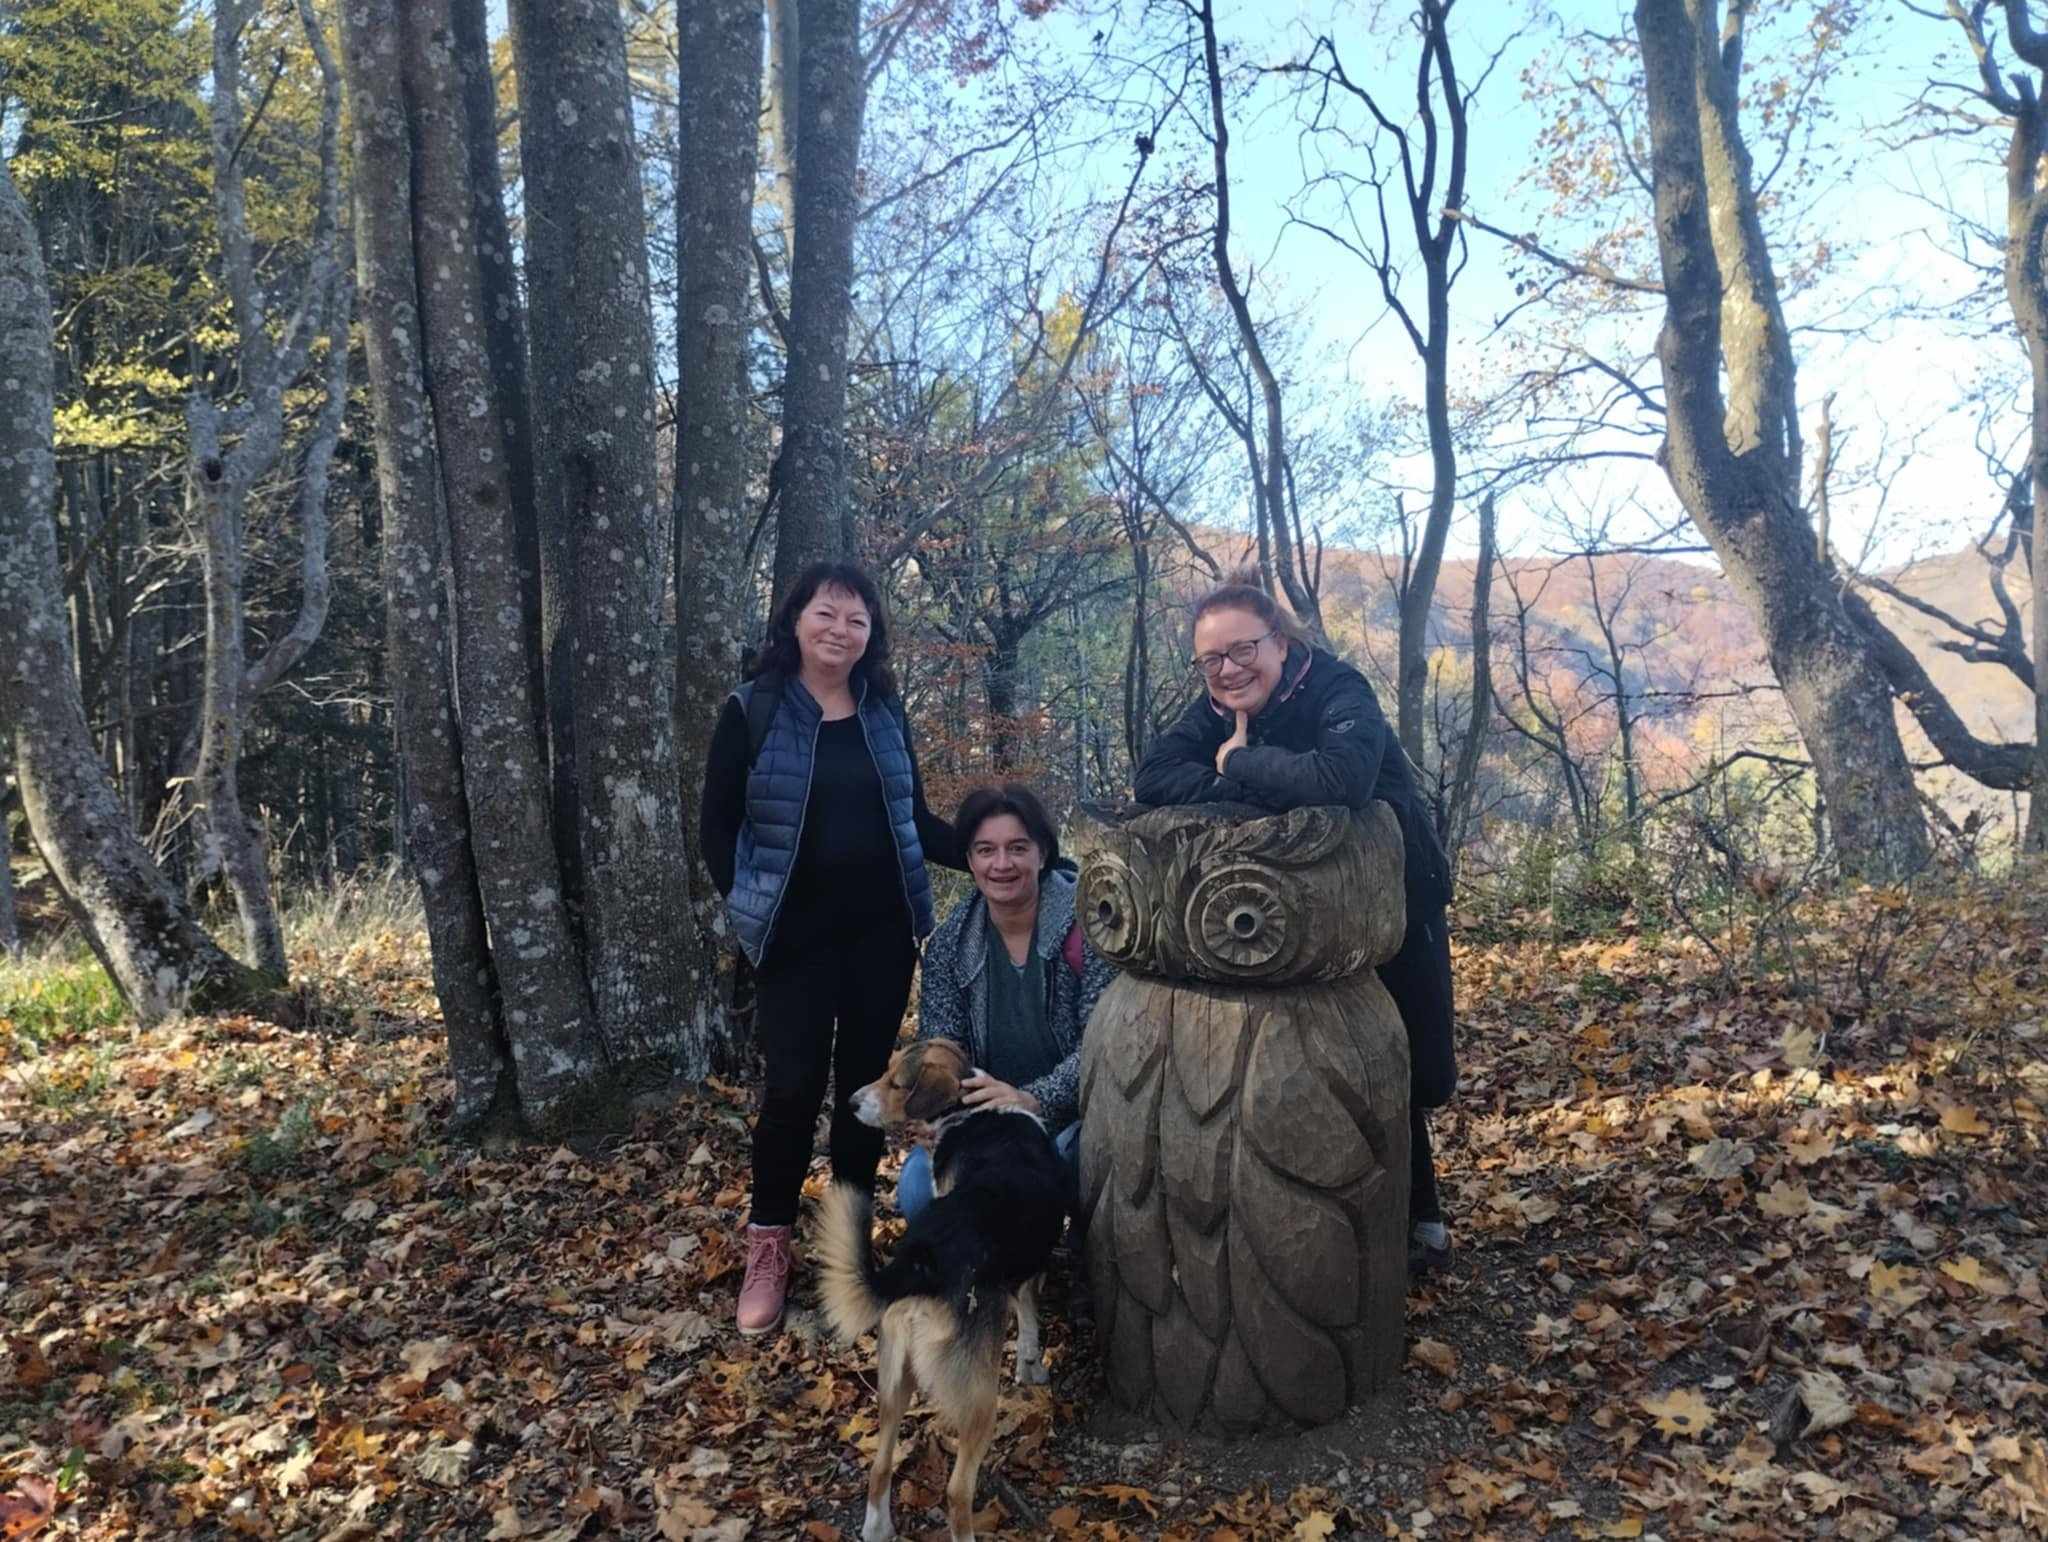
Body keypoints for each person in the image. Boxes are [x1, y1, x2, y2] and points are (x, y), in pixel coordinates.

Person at [1132, 573, 1457, 1274]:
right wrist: (1243, 782)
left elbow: (1343, 780)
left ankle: (1420, 1214)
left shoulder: (1339, 690)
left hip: (1394, 900)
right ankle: (1353, 1220)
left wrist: (1240, 760)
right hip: (1294, 913)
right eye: (1211, 660)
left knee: (1417, 1066)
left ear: (1280, 641)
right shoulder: (1216, 706)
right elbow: (1153, 774)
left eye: (1243, 649)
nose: (1228, 670)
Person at [699, 561, 963, 1336]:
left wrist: (1001, 846)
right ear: (796, 619)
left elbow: (915, 819)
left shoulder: (884, 711)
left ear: (871, 634)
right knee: (790, 1092)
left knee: (863, 1097)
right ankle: (768, 1250)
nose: (841, 630)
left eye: (857, 619)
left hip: (881, 936)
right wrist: (753, 913)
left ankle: (845, 1252)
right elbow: (716, 830)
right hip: (794, 942)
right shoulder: (752, 709)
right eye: (827, 613)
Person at [897, 783, 1115, 1226]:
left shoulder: (1091, 928)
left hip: (1079, 1118)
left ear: (1042, 853)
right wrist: (936, 1110)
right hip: (987, 1122)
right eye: (985, 850)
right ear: (969, 859)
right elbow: (942, 1048)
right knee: (919, 1193)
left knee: (1082, 1173)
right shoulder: (950, 944)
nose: (1001, 864)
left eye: (1017, 848)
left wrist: (1033, 1099)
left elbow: (1103, 1046)